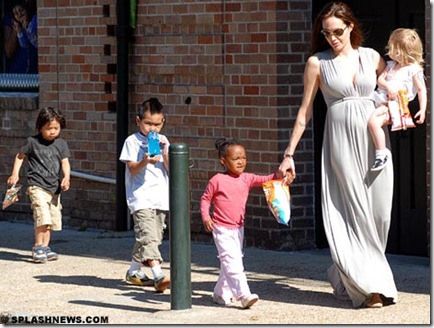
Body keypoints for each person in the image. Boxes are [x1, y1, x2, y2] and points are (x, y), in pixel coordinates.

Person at [278, 2, 398, 308]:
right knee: (354, 212)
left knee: (379, 214)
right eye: (327, 33)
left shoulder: (371, 57)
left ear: (351, 27)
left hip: (374, 144)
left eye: (338, 32)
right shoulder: (317, 63)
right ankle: (370, 287)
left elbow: (393, 88)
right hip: (341, 143)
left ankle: (343, 271)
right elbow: (304, 113)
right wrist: (288, 154)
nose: (333, 38)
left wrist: (401, 106)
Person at [200, 138, 279, 309]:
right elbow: (205, 199)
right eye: (236, 159)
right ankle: (243, 295)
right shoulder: (217, 180)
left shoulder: (247, 178)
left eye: (243, 157)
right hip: (220, 228)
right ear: (223, 160)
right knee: (232, 261)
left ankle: (220, 293)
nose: (241, 161)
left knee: (229, 261)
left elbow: (266, 179)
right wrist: (206, 217)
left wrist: (280, 175)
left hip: (238, 228)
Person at [119, 97, 171, 293]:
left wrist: (165, 153)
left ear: (163, 122)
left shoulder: (163, 140)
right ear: (138, 121)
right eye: (148, 123)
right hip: (140, 197)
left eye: (157, 124)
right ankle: (158, 275)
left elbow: (169, 169)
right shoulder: (131, 141)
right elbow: (132, 169)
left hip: (160, 197)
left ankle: (134, 272)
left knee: (152, 238)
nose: (152, 129)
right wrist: (145, 161)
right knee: (148, 237)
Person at [7, 107, 71, 263]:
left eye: (56, 128)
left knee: (50, 221)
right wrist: (15, 173)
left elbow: (65, 163)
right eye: (48, 128)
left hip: (54, 189)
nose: (52, 132)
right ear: (40, 127)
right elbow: (20, 156)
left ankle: (45, 247)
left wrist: (66, 177)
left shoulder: (61, 144)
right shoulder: (32, 142)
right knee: (42, 216)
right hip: (37, 186)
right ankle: (38, 246)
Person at [368, 28, 427, 170]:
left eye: (394, 50)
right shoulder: (390, 65)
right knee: (368, 119)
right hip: (382, 98)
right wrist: (388, 87)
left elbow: (421, 90)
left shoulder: (414, 69)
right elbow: (380, 80)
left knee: (373, 122)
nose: (391, 53)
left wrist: (422, 109)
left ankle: (381, 154)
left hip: (395, 105)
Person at [3, 0, 38, 74]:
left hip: (35, 73)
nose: (19, 14)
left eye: (21, 10)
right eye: (16, 13)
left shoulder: (34, 19)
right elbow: (8, 52)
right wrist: (17, 27)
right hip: (17, 75)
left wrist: (29, 27)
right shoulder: (10, 20)